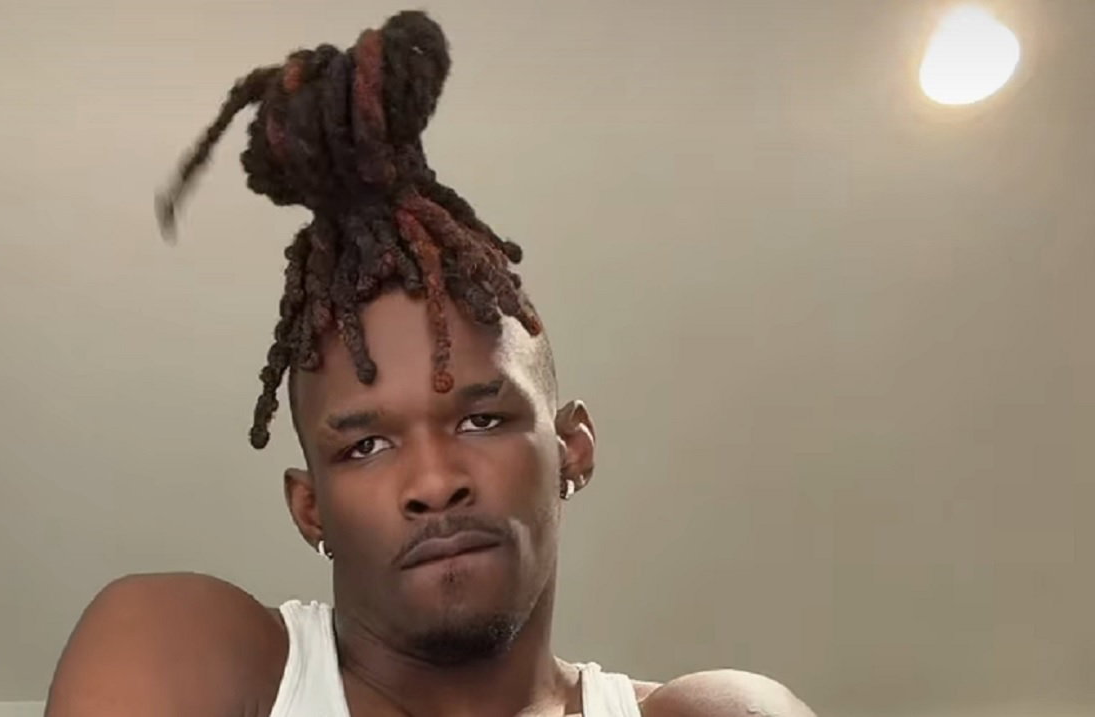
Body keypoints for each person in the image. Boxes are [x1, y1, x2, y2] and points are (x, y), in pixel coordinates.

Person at [46, 10, 817, 717]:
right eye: (366, 445)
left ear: (571, 449)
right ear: (311, 508)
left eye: (481, 419)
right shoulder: (191, 655)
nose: (435, 480)